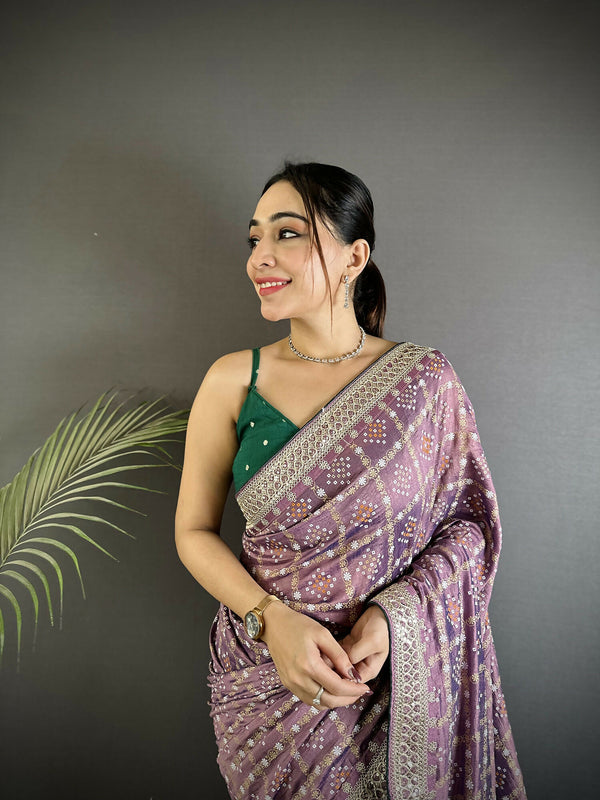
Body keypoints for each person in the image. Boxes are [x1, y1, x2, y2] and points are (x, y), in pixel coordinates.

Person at [174, 162, 526, 799]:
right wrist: (271, 621)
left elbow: (470, 528)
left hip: (392, 678)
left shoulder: (423, 383)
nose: (259, 257)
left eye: (287, 233)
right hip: (267, 682)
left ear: (353, 257)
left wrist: (394, 619)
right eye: (254, 237)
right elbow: (193, 532)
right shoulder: (233, 380)